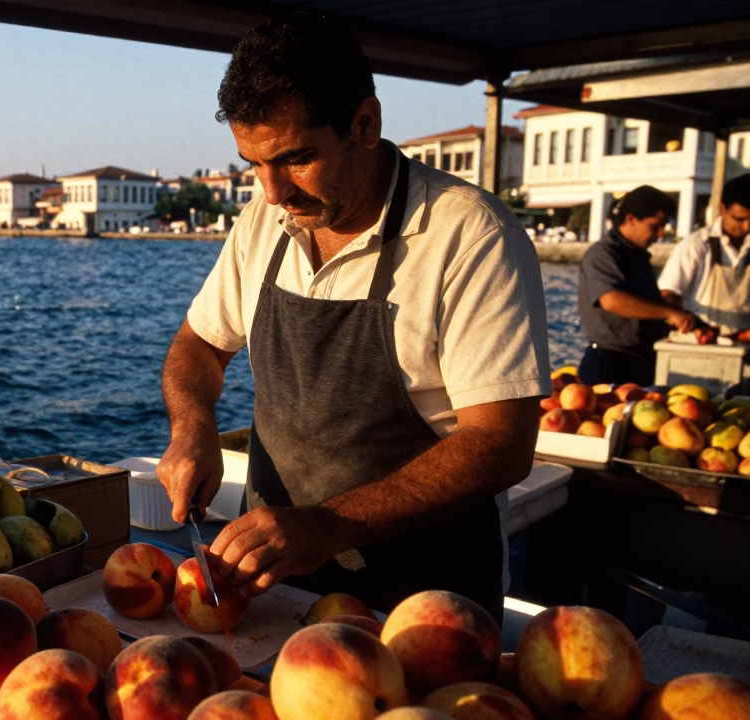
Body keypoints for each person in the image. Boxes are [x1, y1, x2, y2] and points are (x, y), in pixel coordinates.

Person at [156, 13, 550, 622]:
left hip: (421, 601)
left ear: (365, 123)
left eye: (295, 158)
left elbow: (500, 443)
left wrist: (330, 524)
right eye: (252, 164)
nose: (273, 193)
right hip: (273, 590)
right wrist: (191, 425)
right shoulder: (263, 223)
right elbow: (200, 347)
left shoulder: (469, 234)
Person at [577, 186, 698, 386]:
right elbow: (611, 300)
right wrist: (667, 314)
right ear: (631, 219)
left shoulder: (637, 255)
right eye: (655, 226)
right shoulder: (604, 254)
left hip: (641, 360)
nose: (660, 234)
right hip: (610, 362)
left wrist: (665, 304)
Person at [658, 174, 750, 334]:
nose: (747, 226)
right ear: (723, 209)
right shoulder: (696, 245)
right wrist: (684, 318)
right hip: (700, 343)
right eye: (739, 219)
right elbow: (667, 294)